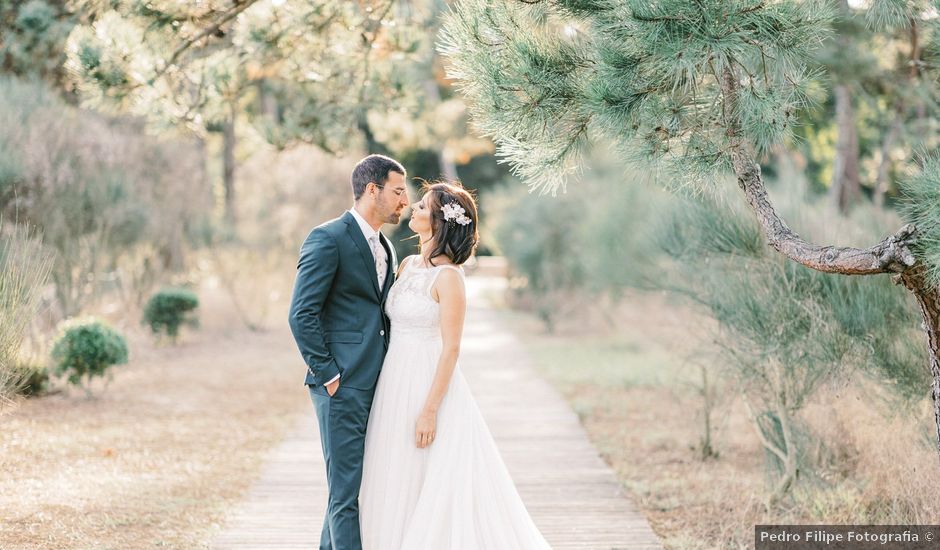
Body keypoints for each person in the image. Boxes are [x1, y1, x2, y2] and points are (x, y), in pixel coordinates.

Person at [359, 181, 553, 549]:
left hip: (427, 383)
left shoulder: (449, 279)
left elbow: (451, 349)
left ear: (439, 221)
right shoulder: (407, 265)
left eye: (422, 206)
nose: (413, 208)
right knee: (395, 471)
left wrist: (430, 410)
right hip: (394, 380)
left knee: (429, 474)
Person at [288, 154, 410, 550]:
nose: (404, 201)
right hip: (341, 385)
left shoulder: (387, 248)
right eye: (397, 191)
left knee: (350, 491)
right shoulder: (328, 237)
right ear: (371, 190)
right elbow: (301, 313)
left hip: (377, 383)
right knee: (345, 496)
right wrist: (329, 374)